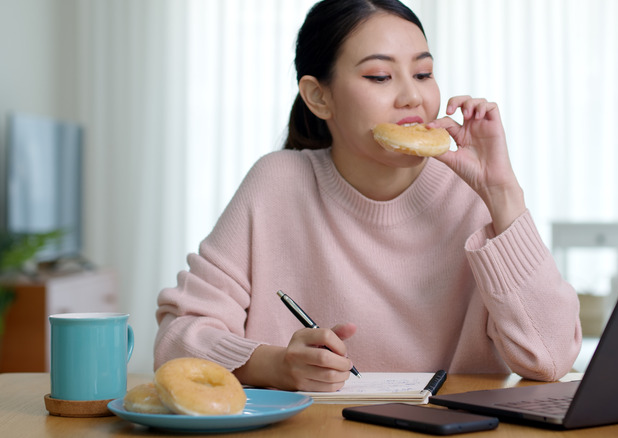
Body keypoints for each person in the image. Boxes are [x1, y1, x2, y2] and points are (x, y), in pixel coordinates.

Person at [155, 0, 582, 392]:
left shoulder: (473, 194)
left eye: (423, 73)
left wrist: (502, 193)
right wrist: (276, 365)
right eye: (379, 76)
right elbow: (176, 343)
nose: (412, 96)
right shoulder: (277, 184)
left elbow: (550, 359)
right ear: (319, 97)